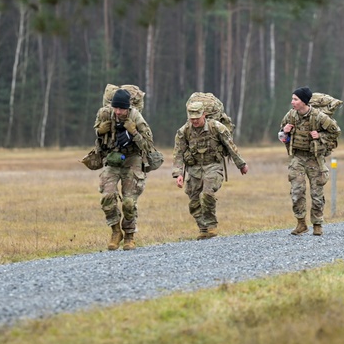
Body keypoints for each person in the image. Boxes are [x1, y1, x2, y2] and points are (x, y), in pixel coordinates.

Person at [172, 100, 249, 239]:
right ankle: (203, 229)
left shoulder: (217, 127)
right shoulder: (184, 131)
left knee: (206, 194)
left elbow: (231, 146)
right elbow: (178, 153)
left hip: (213, 166)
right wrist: (178, 174)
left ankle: (212, 226)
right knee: (194, 203)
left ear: (204, 115)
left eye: (197, 118)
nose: (194, 121)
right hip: (194, 169)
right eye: (192, 119)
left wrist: (241, 165)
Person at [95, 88, 155, 250]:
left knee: (129, 202)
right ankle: (116, 231)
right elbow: (99, 138)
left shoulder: (136, 117)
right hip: (113, 158)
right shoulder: (105, 114)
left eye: (121, 109)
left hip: (132, 159)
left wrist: (134, 133)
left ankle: (129, 235)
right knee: (107, 196)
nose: (118, 112)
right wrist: (100, 131)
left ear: (127, 108)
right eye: (116, 108)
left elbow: (148, 145)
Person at [279, 86, 340, 236]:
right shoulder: (290, 116)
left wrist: (320, 136)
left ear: (304, 102)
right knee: (296, 191)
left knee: (316, 193)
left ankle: (317, 224)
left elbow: (335, 132)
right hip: (297, 158)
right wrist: (284, 132)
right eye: (292, 99)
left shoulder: (319, 117)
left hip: (314, 158)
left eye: (295, 99)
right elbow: (282, 137)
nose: (292, 102)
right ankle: (301, 223)